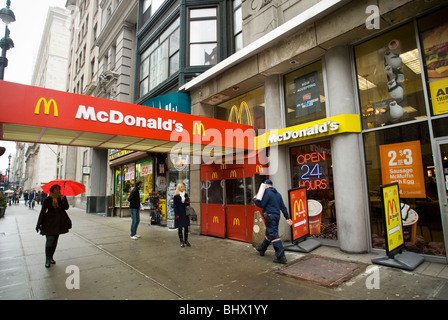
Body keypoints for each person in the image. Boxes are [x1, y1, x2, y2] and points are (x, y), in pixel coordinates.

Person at [253, 179, 293, 264]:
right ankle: (262, 249)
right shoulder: (278, 194)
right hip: (276, 216)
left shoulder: (267, 192)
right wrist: (287, 217)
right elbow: (283, 207)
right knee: (269, 233)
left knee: (273, 234)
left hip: (269, 216)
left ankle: (280, 256)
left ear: (266, 185)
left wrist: (255, 199)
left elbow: (261, 204)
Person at [35, 185, 71, 268]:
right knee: (50, 240)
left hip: (59, 222)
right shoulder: (48, 199)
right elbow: (43, 211)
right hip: (49, 222)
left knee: (55, 241)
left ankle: (51, 257)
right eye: (56, 189)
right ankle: (47, 259)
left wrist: (64, 199)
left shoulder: (61, 198)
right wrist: (39, 223)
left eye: (59, 189)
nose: (58, 190)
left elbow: (66, 208)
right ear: (52, 190)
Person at [173, 183, 190, 248]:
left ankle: (186, 241)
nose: (183, 188)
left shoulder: (185, 195)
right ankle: (181, 241)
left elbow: (187, 203)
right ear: (179, 188)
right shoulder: (176, 196)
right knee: (180, 228)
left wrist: (186, 202)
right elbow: (175, 206)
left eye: (183, 187)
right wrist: (176, 214)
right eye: (182, 187)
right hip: (179, 213)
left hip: (185, 212)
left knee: (186, 227)